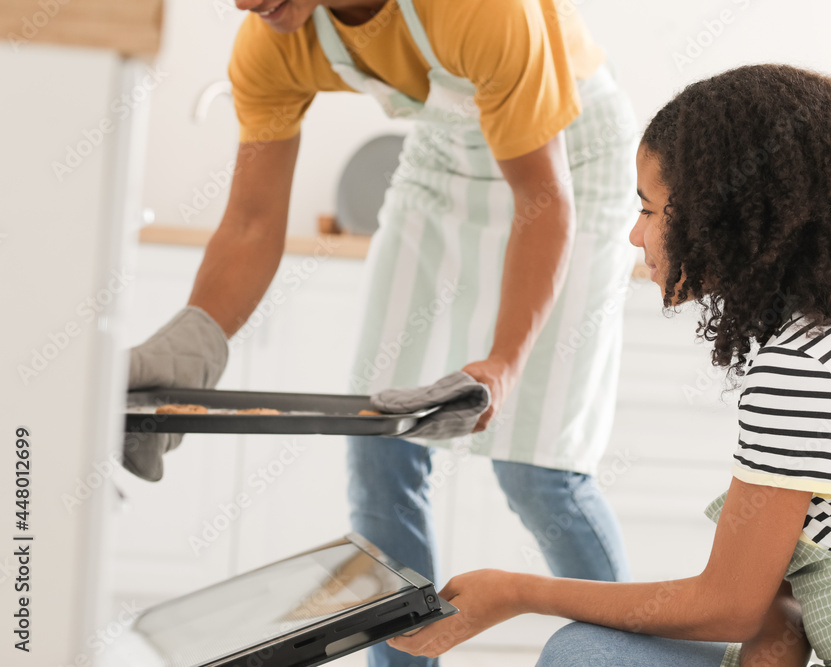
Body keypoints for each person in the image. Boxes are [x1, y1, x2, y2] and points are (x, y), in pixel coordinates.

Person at [123, 1, 639, 665]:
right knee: (381, 445)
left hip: (569, 165)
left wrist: (507, 361)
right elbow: (252, 223)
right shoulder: (272, 42)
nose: (243, 2)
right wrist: (189, 344)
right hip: (444, 160)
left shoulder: (477, 11)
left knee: (534, 472)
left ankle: (629, 658)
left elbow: (543, 201)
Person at [388, 63, 831, 667]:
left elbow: (730, 605)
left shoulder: (801, 370)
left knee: (582, 655)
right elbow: (775, 604)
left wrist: (518, 592)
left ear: (721, 217)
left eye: (649, 211)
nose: (633, 235)